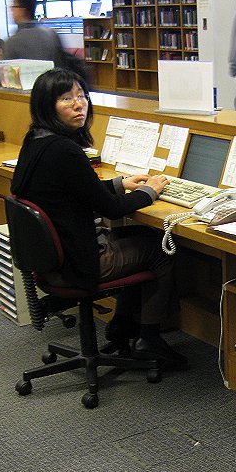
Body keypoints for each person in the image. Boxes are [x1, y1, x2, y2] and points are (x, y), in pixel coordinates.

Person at [10, 69, 187, 369]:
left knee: (137, 239)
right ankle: (148, 338)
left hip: (54, 260)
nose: (79, 105)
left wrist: (121, 183)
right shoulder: (65, 150)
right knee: (162, 249)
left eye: (82, 96)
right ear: (47, 105)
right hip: (80, 263)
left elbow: (75, 191)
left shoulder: (35, 141)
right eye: (67, 99)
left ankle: (122, 326)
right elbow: (112, 209)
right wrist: (149, 192)